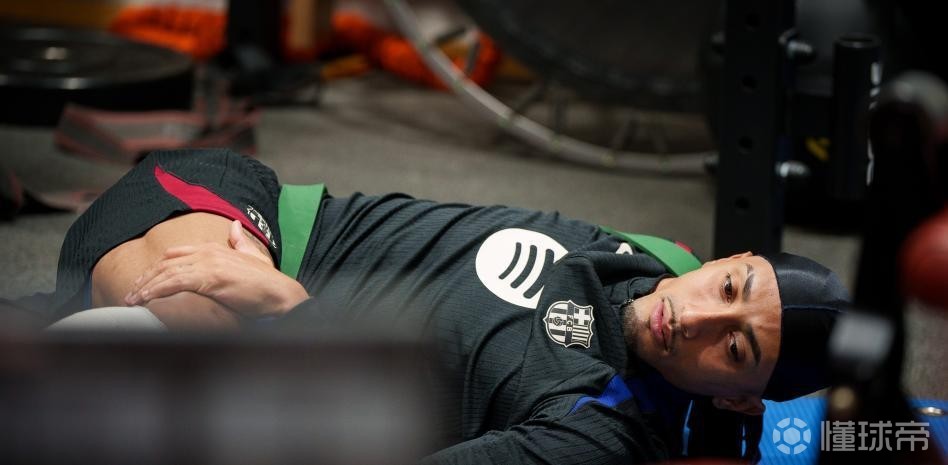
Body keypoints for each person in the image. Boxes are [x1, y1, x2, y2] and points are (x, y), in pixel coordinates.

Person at [8, 148, 849, 464]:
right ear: (726, 260)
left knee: (197, 342)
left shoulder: (602, 430)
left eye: (735, 350)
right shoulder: (659, 258)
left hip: (267, 357)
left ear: (741, 398)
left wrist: (293, 313)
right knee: (195, 313)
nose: (696, 318)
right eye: (729, 289)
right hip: (249, 209)